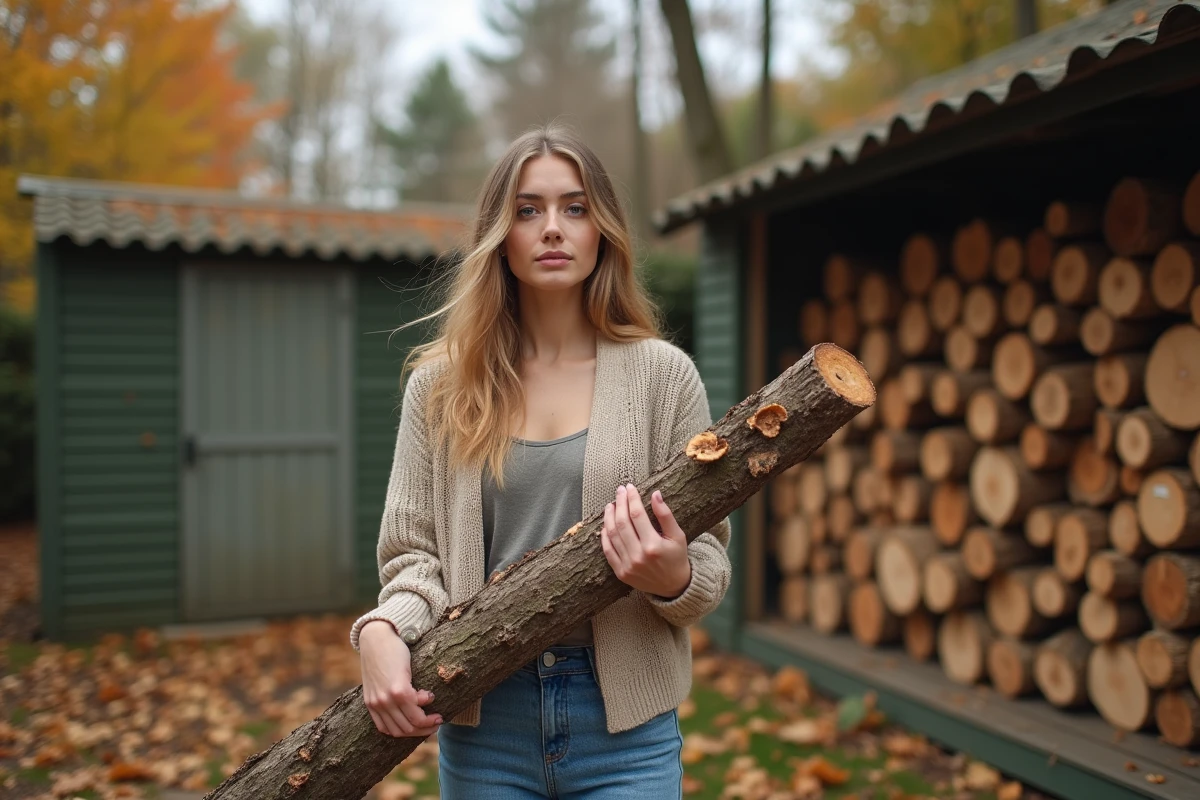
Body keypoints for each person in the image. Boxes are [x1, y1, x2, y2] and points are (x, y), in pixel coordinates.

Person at [349, 123, 732, 799]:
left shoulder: (663, 376)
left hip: (626, 729)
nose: (552, 228)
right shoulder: (440, 387)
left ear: (602, 230)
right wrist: (382, 629)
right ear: (501, 234)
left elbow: (708, 559)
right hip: (483, 716)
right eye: (529, 210)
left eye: (574, 208)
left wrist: (673, 577)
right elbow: (414, 558)